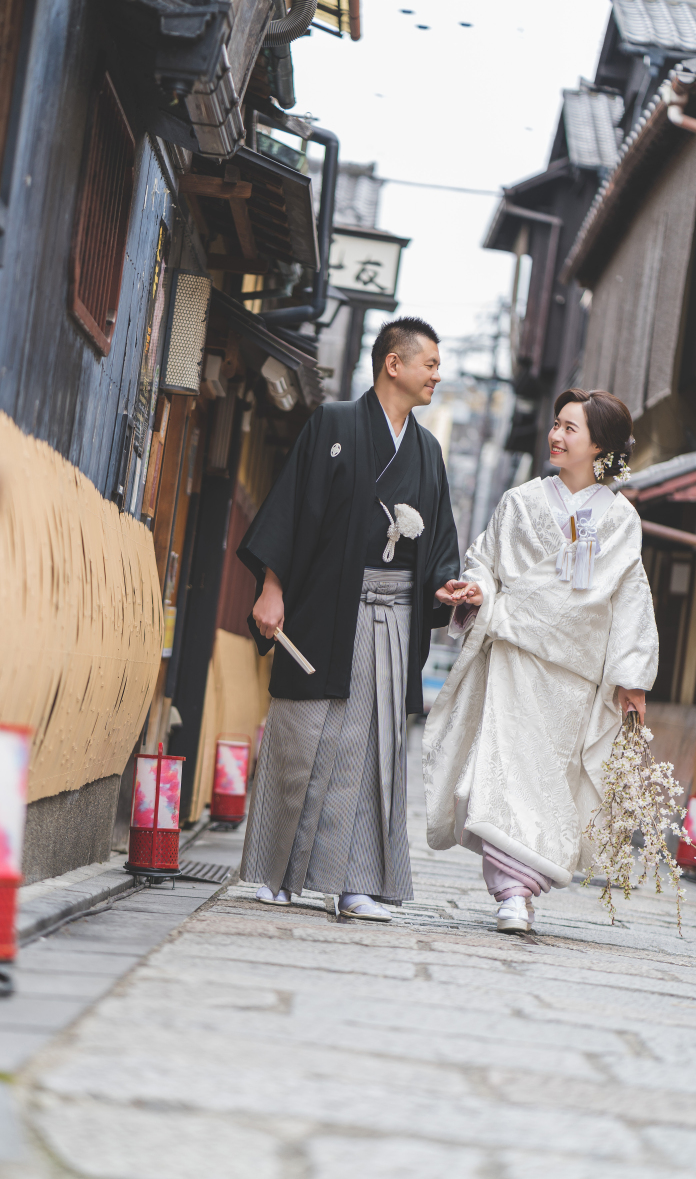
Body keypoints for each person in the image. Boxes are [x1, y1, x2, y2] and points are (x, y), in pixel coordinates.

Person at [237, 317, 460, 922]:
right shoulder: (334, 425)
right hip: (322, 609)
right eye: (430, 363)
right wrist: (271, 589)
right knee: (303, 734)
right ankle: (278, 874)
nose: (438, 374)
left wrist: (449, 587)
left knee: (373, 748)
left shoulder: (427, 450)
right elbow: (292, 511)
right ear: (395, 364)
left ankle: (357, 882)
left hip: (393, 619)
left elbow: (438, 544)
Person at [423, 388, 658, 933]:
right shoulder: (521, 501)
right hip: (517, 658)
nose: (555, 435)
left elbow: (631, 597)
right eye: (555, 424)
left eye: (570, 428)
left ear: (599, 443)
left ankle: (525, 886)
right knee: (507, 769)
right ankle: (513, 894)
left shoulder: (621, 519)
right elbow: (487, 561)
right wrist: (476, 589)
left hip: (575, 674)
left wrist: (632, 678)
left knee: (552, 780)